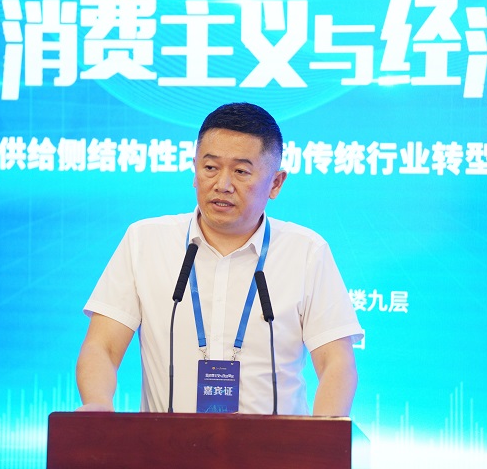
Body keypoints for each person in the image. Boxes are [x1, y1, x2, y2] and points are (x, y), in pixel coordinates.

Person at [76, 102, 363, 416]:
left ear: (276, 183)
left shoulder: (306, 251)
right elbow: (102, 347)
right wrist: (98, 405)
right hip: (166, 444)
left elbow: (335, 362)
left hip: (275, 446)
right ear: (195, 171)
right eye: (210, 167)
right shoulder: (144, 241)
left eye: (241, 171)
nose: (222, 185)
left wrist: (324, 433)